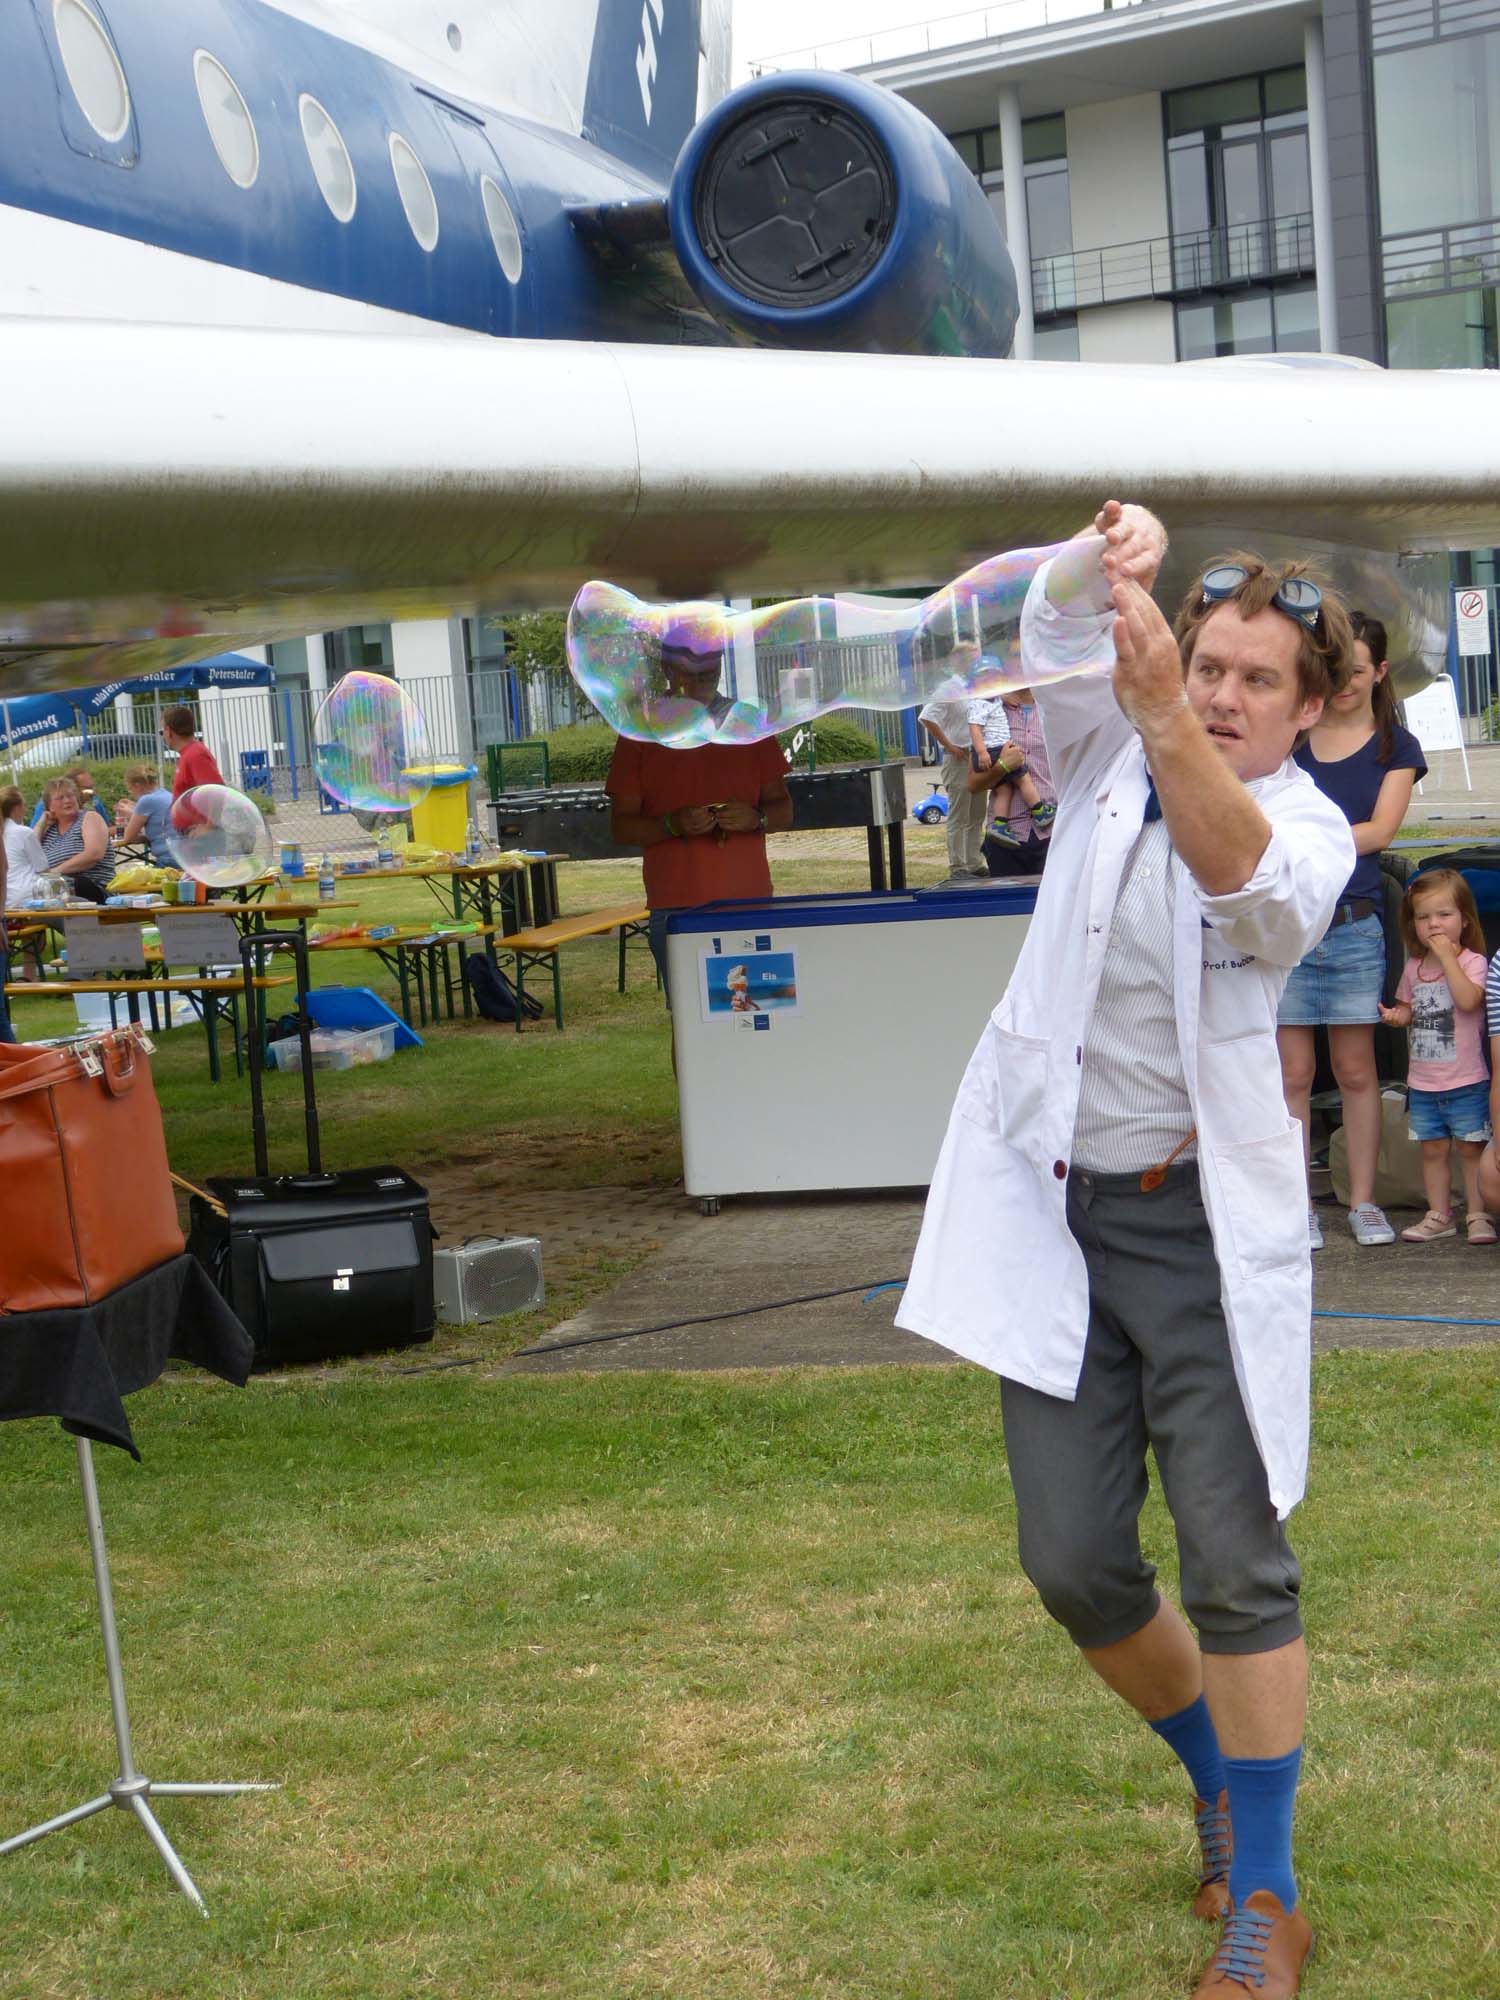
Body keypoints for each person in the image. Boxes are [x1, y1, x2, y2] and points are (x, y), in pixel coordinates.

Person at [898, 503, 1356, 2000]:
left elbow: (1247, 889)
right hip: (1059, 1215)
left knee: (1235, 1564)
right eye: (1206, 663)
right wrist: (1106, 557)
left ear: (1308, 709)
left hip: (1200, 1234)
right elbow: (1048, 632)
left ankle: (1268, 1895)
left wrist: (1165, 716)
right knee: (1076, 1561)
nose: (1221, 693)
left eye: (1257, 680)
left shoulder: (1303, 830)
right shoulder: (1103, 756)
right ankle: (1216, 1776)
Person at [1275, 611, 1426, 1250]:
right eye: (1334, 670)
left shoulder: (1397, 747)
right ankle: (1296, 1208)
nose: (1343, 683)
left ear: (1380, 672)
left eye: (1356, 671)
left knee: (1356, 1070)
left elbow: (1382, 832)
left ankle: (1363, 1202)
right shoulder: (1291, 736)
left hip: (1354, 925)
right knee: (1292, 1074)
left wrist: (1303, 840)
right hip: (1288, 928)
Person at [605, 631, 793, 1011]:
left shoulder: (746, 722)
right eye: (691, 663)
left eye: (711, 660)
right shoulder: (642, 731)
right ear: (667, 668)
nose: (704, 670)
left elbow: (784, 810)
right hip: (679, 910)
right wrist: (670, 825)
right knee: (693, 1024)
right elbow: (621, 827)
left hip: (750, 904)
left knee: (758, 1016)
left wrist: (755, 817)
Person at [1378, 868, 1493, 1243]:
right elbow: (1408, 1007)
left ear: (1465, 919)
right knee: (1433, 1151)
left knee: (1471, 1150)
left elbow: (1468, 1000)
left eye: (1444, 915)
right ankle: (1439, 1214)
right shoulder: (1414, 966)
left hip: (1466, 1080)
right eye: (1423, 917)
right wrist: (1397, 1016)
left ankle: (1477, 1214)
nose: (1434, 924)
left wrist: (1448, 959)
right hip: (1424, 1083)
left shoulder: (1473, 962)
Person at [975, 686, 1057, 877]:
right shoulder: (992, 710)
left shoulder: (1054, 710)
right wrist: (1002, 766)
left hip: (1051, 831)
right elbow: (973, 784)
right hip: (1006, 834)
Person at [917, 694, 988, 879]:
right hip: (959, 757)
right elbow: (926, 717)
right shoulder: (949, 690)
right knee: (959, 815)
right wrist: (948, 745)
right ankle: (957, 866)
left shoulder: (978, 690)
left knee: (977, 814)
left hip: (978, 757)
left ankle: (974, 863)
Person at [36, 775, 116, 904]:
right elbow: (29, 852)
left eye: (70, 795)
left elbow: (93, 854)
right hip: (58, 889)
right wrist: (41, 823)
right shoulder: (49, 830)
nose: (67, 800)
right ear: (49, 806)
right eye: (60, 798)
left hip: (94, 888)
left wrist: (53, 873)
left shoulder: (89, 818)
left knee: (63, 887)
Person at [161, 704, 224, 796]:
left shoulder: (195, 755)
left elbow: (215, 794)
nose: (163, 736)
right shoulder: (190, 753)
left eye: (162, 732)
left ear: (168, 730)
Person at [118, 764, 176, 864]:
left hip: (168, 859)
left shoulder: (146, 800)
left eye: (130, 788)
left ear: (137, 785)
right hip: (179, 854)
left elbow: (127, 838)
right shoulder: (165, 794)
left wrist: (127, 814)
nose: (131, 792)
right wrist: (135, 809)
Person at [3, 786, 48, 909]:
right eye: (24, 805)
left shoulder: (11, 832)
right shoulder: (23, 832)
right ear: (17, 808)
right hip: (27, 899)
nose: (25, 810)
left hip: (6, 901)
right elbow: (44, 870)